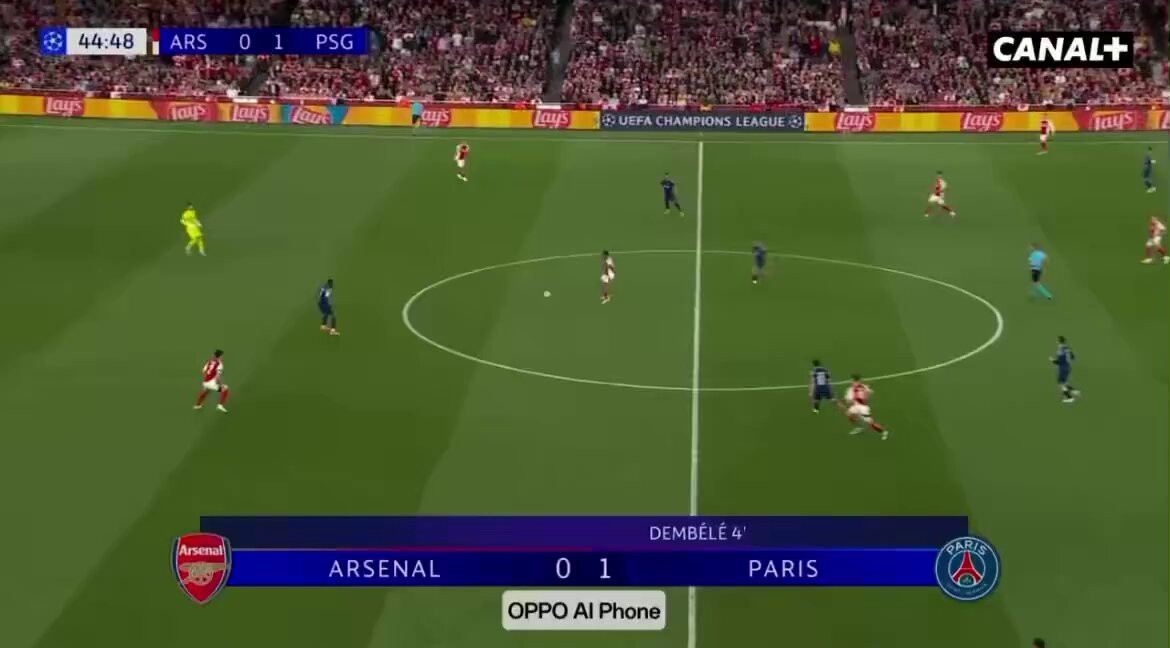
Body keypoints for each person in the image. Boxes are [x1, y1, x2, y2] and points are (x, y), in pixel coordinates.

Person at [1051, 335, 1079, 403]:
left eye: (1057, 340)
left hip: (1063, 367)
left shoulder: (1060, 349)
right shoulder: (1067, 348)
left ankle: (1069, 397)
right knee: (1064, 382)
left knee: (1060, 383)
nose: (1056, 341)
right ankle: (1074, 391)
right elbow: (1073, 357)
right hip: (1068, 366)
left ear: (1059, 341)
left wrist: (1052, 360)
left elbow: (1059, 362)